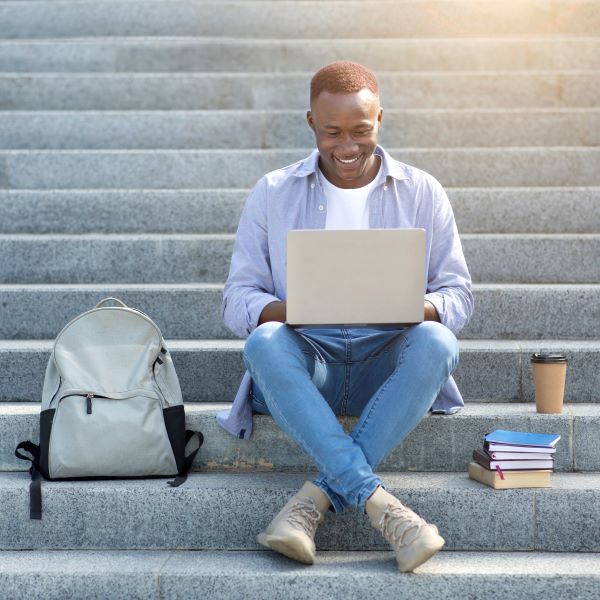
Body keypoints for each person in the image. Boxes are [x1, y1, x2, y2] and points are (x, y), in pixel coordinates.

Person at [216, 61, 474, 573]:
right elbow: (236, 299)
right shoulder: (272, 191)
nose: (348, 145)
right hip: (310, 367)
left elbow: (458, 296)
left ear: (381, 118)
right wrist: (303, 308)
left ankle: (313, 501)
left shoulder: (422, 191)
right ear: (310, 122)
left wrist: (402, 306)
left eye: (362, 129)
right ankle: (385, 509)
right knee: (265, 341)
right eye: (332, 132)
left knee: (438, 343)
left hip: (387, 364)